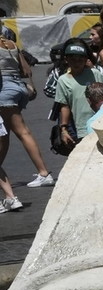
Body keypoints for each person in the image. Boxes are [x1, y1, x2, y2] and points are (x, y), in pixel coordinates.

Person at [0, 30, 53, 188]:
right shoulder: (11, 44)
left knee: (16, 132)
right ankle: (42, 172)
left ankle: (44, 173)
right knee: (11, 131)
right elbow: (26, 70)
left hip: (4, 90)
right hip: (18, 87)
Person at [53, 41, 103, 150]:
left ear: (86, 60)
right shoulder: (63, 80)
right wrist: (64, 129)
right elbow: (64, 106)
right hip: (82, 127)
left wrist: (99, 90)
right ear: (66, 60)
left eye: (80, 59)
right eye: (73, 59)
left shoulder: (94, 73)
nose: (77, 63)